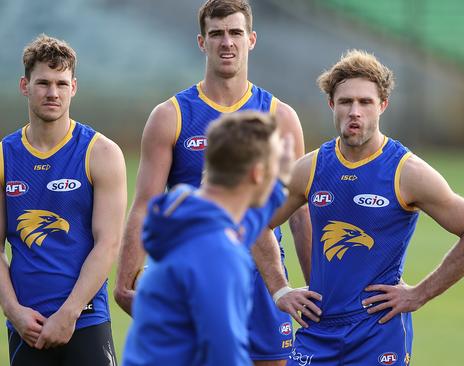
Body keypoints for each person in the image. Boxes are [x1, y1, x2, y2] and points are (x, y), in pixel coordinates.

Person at [250, 49, 464, 365]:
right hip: (317, 331)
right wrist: (280, 290)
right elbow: (256, 222)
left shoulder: (407, 172)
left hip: (379, 334)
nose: (355, 111)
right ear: (331, 105)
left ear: (382, 106)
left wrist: (419, 294)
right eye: (346, 102)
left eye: (365, 102)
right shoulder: (311, 168)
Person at [113, 1, 310, 364]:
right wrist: (125, 280)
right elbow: (144, 202)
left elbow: (296, 210)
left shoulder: (280, 117)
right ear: (202, 42)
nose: (227, 42)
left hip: (264, 277)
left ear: (251, 39)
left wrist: (316, 287)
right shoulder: (170, 115)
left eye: (235, 33)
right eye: (216, 33)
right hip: (203, 270)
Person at [123, 111, 293, 366]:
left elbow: (243, 226)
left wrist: (278, 185)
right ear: (257, 174)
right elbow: (224, 354)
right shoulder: (219, 253)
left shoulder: (187, 219)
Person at [0, 35, 126, 365]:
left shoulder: (101, 153)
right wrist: (14, 312)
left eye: (61, 83)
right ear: (24, 86)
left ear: (74, 87)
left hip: (85, 320)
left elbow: (108, 243)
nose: (52, 93)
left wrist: (68, 313)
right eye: (43, 83)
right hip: (26, 325)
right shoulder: (3, 157)